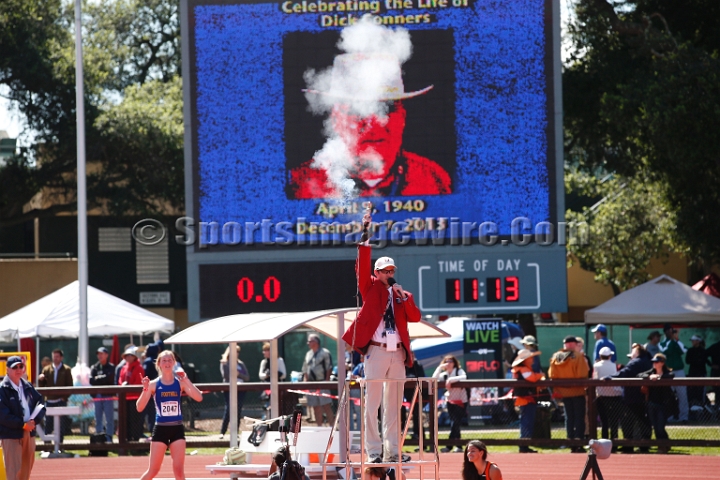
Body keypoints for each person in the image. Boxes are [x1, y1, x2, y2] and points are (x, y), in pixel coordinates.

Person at [288, 52, 452, 199]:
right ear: (335, 119)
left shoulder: (433, 179)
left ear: (403, 117)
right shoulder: (298, 185)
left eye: (387, 108)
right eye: (357, 109)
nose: (374, 124)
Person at [341, 209, 421, 463]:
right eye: (384, 271)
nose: (389, 274)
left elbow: (415, 317)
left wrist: (402, 298)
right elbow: (362, 266)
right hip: (375, 350)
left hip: (397, 352)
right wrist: (365, 235)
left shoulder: (402, 294)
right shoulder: (370, 286)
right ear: (377, 273)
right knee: (372, 405)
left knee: (394, 406)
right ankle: (374, 452)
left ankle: (394, 451)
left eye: (391, 270)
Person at [136, 350, 203, 480]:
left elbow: (199, 397)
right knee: (153, 470)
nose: (167, 363)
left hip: (177, 429)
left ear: (174, 363)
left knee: (179, 471)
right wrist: (145, 390)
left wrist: (187, 381)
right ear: (159, 364)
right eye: (164, 360)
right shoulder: (153, 384)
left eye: (169, 360)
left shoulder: (180, 382)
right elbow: (139, 407)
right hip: (160, 429)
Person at [0, 356, 46, 480]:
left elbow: (40, 404)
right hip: (11, 435)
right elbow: (3, 415)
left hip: (28, 433)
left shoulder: (28, 386)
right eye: (14, 367)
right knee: (14, 472)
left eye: (21, 366)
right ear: (7, 369)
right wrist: (22, 424)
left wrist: (34, 421)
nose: (18, 369)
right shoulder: (2, 389)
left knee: (26, 471)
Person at [607, 343, 652, 453]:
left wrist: (611, 377)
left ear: (637, 352)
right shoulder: (647, 360)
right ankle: (644, 445)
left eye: (633, 351)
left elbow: (625, 372)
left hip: (632, 396)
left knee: (627, 421)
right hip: (642, 396)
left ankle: (628, 445)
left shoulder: (636, 362)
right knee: (643, 421)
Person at [548, 335, 589, 453]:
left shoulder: (556, 357)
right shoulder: (578, 356)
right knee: (579, 418)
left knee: (569, 417)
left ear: (565, 344)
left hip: (563, 392)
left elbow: (552, 375)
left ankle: (570, 441)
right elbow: (582, 374)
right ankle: (579, 442)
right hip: (577, 391)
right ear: (575, 344)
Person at [638, 353, 675, 453]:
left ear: (662, 363)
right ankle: (665, 444)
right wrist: (650, 376)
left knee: (660, 426)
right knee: (655, 426)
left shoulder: (668, 373)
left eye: (657, 362)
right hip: (651, 403)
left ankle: (662, 446)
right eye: (653, 362)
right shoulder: (651, 372)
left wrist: (659, 378)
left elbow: (670, 376)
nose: (654, 363)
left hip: (663, 404)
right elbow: (640, 375)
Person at [510, 349, 544, 453]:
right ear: (526, 360)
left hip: (527, 400)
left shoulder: (523, 369)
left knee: (527, 422)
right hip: (525, 400)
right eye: (530, 358)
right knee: (526, 422)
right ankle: (523, 445)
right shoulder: (524, 369)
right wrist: (540, 375)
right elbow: (532, 378)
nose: (533, 360)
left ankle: (525, 445)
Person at [432, 355, 467, 452]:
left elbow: (464, 377)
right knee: (454, 423)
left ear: (454, 362)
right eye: (446, 361)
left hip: (461, 400)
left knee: (455, 422)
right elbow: (434, 379)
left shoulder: (458, 371)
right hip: (450, 401)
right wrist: (439, 367)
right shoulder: (445, 374)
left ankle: (449, 446)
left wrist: (451, 380)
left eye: (451, 361)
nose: (449, 363)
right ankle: (458, 446)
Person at [37, 348, 73, 442]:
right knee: (48, 423)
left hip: (61, 401)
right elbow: (41, 387)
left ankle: (60, 445)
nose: (55, 358)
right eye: (54, 356)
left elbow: (70, 386)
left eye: (57, 356)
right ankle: (47, 445)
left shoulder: (66, 370)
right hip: (49, 401)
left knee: (61, 425)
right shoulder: (46, 369)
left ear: (61, 357)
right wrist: (40, 380)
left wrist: (64, 398)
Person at [301, 333, 335, 427]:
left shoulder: (325, 352)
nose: (308, 343)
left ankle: (332, 426)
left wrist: (326, 382)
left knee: (326, 406)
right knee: (316, 407)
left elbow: (329, 367)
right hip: (312, 384)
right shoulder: (308, 354)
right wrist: (306, 383)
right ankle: (319, 427)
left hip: (322, 382)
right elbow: (305, 369)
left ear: (316, 342)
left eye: (310, 341)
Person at [593, 346, 622, 446]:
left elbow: (595, 378)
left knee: (604, 421)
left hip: (601, 396)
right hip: (614, 395)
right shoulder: (613, 365)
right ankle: (614, 441)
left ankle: (604, 442)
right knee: (613, 420)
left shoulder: (596, 366)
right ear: (609, 356)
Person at [658, 324, 688, 422]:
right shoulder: (662, 344)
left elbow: (684, 350)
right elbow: (666, 352)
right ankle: (669, 416)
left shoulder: (676, 342)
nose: (670, 333)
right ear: (665, 332)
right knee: (668, 395)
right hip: (668, 372)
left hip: (679, 371)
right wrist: (671, 340)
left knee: (682, 394)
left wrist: (676, 339)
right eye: (669, 331)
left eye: (672, 331)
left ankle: (683, 417)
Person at [220, 345, 250, 438]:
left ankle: (235, 432)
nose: (236, 354)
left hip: (240, 389)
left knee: (238, 410)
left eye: (237, 352)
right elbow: (225, 376)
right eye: (234, 352)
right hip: (228, 389)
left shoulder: (241, 363)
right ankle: (222, 432)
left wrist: (239, 374)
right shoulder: (224, 363)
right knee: (229, 409)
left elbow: (247, 377)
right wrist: (225, 363)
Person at [118, 347, 145, 441]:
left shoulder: (139, 367)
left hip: (135, 398)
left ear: (134, 357)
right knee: (126, 420)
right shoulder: (124, 368)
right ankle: (127, 439)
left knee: (135, 420)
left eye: (130, 355)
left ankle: (135, 440)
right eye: (126, 356)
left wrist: (129, 386)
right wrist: (123, 385)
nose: (128, 358)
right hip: (125, 398)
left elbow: (139, 382)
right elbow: (120, 380)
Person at [89, 346, 115, 442]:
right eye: (98, 354)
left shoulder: (111, 367)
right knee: (98, 418)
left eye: (102, 354)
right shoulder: (94, 367)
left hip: (108, 395)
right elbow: (91, 380)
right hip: (97, 396)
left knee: (109, 418)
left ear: (106, 355)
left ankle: (109, 437)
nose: (100, 356)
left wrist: (98, 378)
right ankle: (99, 436)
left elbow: (109, 378)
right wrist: (101, 378)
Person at [685, 334, 709, 406]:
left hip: (701, 373)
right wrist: (696, 360)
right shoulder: (690, 350)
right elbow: (687, 361)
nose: (692, 342)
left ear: (698, 341)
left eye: (694, 340)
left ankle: (701, 405)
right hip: (692, 373)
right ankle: (692, 405)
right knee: (692, 390)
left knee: (701, 391)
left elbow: (704, 361)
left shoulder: (703, 351)